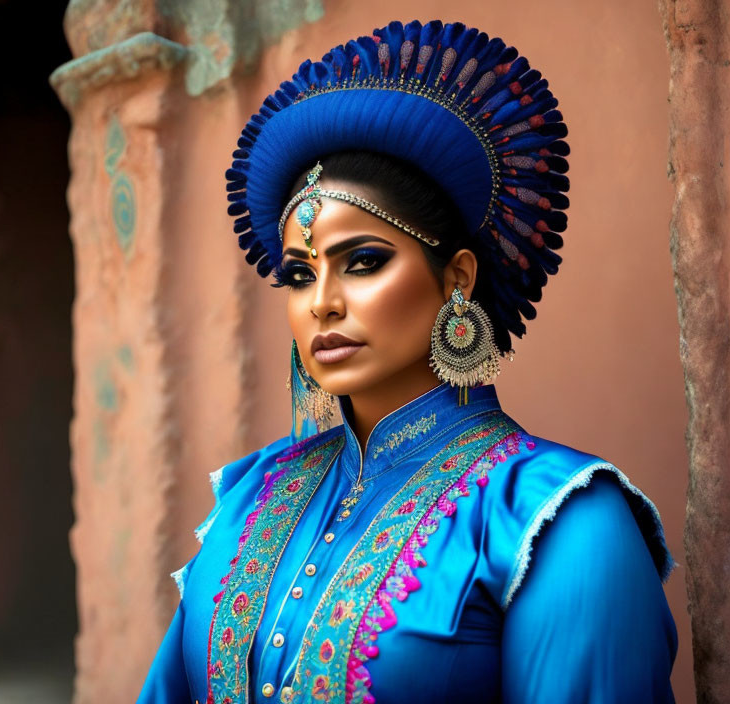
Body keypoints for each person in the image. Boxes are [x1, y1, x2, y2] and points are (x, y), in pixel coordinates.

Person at [137, 19, 678, 704]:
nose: (322, 304)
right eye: (300, 275)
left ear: (456, 278)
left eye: (362, 263)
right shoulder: (252, 498)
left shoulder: (562, 523)